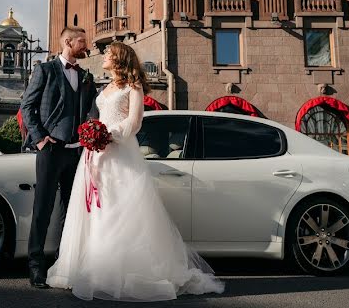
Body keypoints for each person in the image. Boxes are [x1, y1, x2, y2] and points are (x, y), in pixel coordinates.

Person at [46, 42, 224, 301]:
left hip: (120, 152)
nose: (104, 56)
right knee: (97, 210)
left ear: (119, 58)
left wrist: (109, 135)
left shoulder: (134, 86)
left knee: (119, 210)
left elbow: (135, 121)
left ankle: (120, 272)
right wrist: (93, 134)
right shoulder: (105, 86)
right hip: (96, 155)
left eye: (108, 54)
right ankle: (92, 268)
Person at [21, 26, 96, 289]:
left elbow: (90, 109)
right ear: (68, 42)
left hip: (77, 152)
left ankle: (62, 263)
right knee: (43, 208)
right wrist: (40, 138)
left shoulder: (87, 75)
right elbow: (27, 106)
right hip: (51, 151)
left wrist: (91, 129)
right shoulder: (45, 70)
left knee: (70, 209)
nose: (86, 46)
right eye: (82, 42)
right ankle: (35, 266)